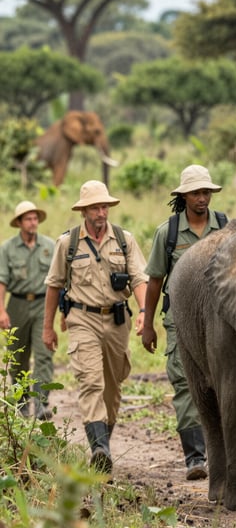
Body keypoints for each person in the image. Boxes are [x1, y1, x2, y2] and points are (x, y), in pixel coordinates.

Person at [42, 181, 147, 474]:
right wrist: (47, 328)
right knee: (91, 382)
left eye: (104, 207)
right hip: (81, 319)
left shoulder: (125, 240)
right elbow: (54, 286)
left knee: (112, 390)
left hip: (116, 320)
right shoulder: (68, 243)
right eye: (94, 207)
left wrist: (144, 312)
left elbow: (139, 279)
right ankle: (99, 449)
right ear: (84, 211)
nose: (101, 212)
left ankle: (104, 447)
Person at [141, 165, 227, 480]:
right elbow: (154, 281)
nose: (202, 198)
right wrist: (147, 323)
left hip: (222, 322)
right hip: (181, 321)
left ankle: (223, 451)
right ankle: (195, 457)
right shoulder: (170, 232)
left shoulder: (226, 228)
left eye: (206, 192)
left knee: (225, 384)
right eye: (196, 193)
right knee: (186, 385)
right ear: (184, 196)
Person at [0, 201, 56, 419]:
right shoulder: (7, 248)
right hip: (18, 304)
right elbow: (2, 280)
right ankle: (21, 404)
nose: (33, 223)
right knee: (17, 356)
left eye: (35, 219)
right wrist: (2, 311)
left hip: (44, 303)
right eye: (28, 219)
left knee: (44, 354)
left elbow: (59, 280)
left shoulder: (50, 246)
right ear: (20, 223)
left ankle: (41, 403)